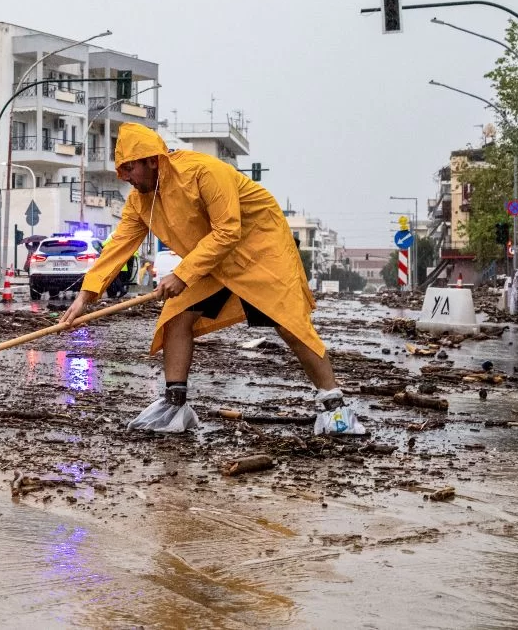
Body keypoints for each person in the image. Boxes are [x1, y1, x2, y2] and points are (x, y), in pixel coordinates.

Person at [59, 123, 347, 432]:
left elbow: (228, 231)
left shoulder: (205, 172)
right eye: (122, 170)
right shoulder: (140, 201)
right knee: (177, 315)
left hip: (260, 250)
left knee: (289, 323)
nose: (126, 177)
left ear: (153, 160)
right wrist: (84, 297)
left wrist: (182, 274)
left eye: (130, 167)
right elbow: (117, 248)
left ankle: (336, 410)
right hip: (211, 259)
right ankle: (174, 405)